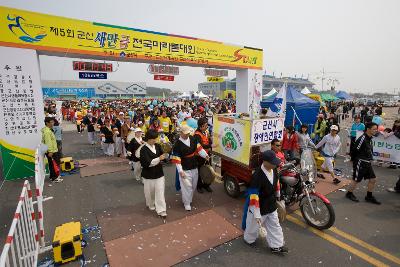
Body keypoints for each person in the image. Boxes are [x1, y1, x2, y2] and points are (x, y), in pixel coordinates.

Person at [242, 150, 288, 254]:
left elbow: (276, 183)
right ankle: (249, 239)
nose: (275, 164)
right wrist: (256, 213)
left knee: (275, 225)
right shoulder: (257, 176)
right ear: (265, 162)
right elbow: (253, 196)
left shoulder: (274, 170)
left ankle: (277, 246)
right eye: (273, 162)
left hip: (271, 203)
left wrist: (278, 196)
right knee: (253, 226)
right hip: (259, 206)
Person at [171, 125, 209, 211]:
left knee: (193, 185)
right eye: (185, 133)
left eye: (188, 133)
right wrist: (180, 170)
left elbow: (199, 149)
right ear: (180, 133)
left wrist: (205, 155)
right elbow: (177, 159)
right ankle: (186, 203)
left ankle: (189, 198)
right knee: (186, 187)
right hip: (184, 168)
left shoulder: (193, 139)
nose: (187, 135)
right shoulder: (177, 145)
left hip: (194, 165)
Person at [346, 122, 381, 204]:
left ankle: (369, 196)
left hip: (367, 162)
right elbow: (354, 150)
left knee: (373, 179)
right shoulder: (362, 138)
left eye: (376, 129)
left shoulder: (370, 138)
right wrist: (353, 161)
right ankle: (349, 194)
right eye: (374, 129)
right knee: (356, 180)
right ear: (368, 129)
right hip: (360, 162)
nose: (376, 131)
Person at [139, 129, 167, 219]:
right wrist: (159, 159)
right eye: (153, 139)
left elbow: (163, 156)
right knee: (149, 192)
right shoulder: (143, 149)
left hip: (159, 173)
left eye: (155, 138)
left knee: (160, 192)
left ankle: (162, 210)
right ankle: (150, 204)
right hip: (148, 175)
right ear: (148, 138)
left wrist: (166, 155)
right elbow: (147, 163)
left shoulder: (158, 146)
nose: (154, 140)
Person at [194, 117, 213, 193]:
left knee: (208, 171)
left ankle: (206, 185)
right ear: (200, 126)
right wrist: (211, 146)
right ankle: (199, 186)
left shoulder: (205, 132)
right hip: (199, 157)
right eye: (205, 125)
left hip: (207, 155)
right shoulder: (196, 135)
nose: (207, 127)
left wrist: (211, 140)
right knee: (199, 172)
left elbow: (209, 142)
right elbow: (201, 146)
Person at [41, 117, 63, 183]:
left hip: (51, 150)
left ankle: (52, 176)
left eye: (53, 122)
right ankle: (55, 177)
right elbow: (48, 142)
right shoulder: (47, 132)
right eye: (51, 122)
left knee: (51, 164)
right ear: (47, 123)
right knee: (53, 164)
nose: (53, 123)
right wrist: (50, 151)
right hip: (51, 151)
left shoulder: (47, 130)